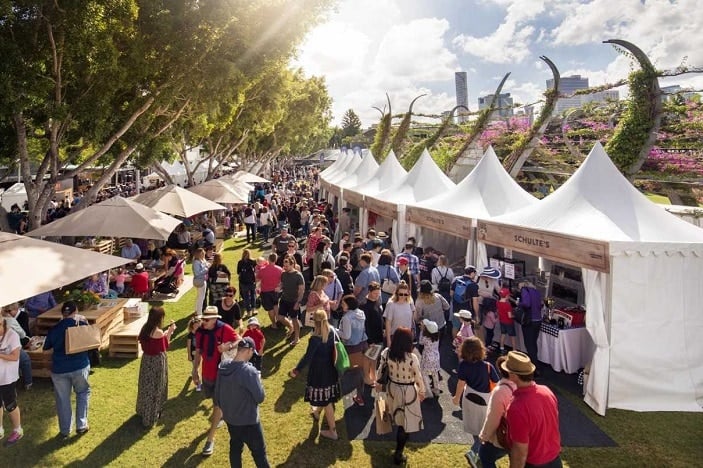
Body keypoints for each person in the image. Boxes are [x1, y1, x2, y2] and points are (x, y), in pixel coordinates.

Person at [215, 337, 270, 468]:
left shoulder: (223, 366)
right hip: (249, 422)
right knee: (259, 454)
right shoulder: (248, 372)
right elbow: (260, 397)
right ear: (249, 350)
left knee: (235, 448)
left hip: (231, 420)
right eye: (252, 353)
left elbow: (217, 395)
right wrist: (258, 379)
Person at [192, 306, 239, 457]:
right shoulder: (200, 332)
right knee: (215, 401)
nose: (203, 322)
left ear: (215, 319)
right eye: (203, 319)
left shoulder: (225, 329)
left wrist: (228, 346)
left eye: (206, 319)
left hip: (222, 374)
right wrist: (194, 371)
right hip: (207, 374)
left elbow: (240, 340)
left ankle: (209, 440)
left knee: (217, 405)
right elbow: (198, 352)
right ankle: (222, 413)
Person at [502, 351, 562, 468]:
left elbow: (520, 451)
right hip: (555, 459)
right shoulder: (547, 391)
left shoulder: (517, 407)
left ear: (513, 375)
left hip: (534, 463)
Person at [376, 327, 426, 465]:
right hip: (408, 391)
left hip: (392, 389)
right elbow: (418, 377)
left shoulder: (387, 353)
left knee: (397, 417)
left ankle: (398, 451)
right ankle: (399, 453)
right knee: (406, 424)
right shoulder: (412, 357)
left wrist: (377, 385)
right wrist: (422, 391)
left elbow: (380, 371)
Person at [43, 301, 92, 439]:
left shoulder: (55, 329)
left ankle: (65, 430)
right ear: (76, 311)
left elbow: (46, 346)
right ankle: (81, 425)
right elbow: (90, 340)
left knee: (62, 399)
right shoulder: (81, 325)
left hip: (59, 369)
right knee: (82, 393)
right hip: (80, 365)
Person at [289, 310, 340, 441]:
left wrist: (296, 370)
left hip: (319, 372)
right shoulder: (333, 331)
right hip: (331, 369)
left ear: (314, 321)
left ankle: (333, 431)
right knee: (326, 395)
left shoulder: (315, 339)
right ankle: (317, 412)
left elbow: (307, 357)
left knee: (327, 400)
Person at [452, 337, 499, 468]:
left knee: (474, 427)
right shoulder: (488, 366)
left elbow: (461, 384)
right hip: (484, 401)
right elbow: (496, 384)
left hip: (468, 399)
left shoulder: (463, 365)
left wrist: (456, 398)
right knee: (485, 431)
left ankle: (476, 450)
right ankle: (474, 451)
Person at [136, 306, 176, 427]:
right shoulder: (157, 332)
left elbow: (154, 341)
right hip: (157, 362)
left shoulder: (145, 328)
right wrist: (170, 332)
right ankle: (151, 416)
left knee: (146, 386)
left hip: (146, 361)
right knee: (156, 388)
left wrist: (164, 334)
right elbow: (165, 345)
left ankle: (143, 411)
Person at [478, 355, 516, 468]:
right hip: (519, 435)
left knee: (485, 456)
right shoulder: (521, 386)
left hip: (504, 435)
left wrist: (484, 435)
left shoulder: (500, 391)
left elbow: (493, 418)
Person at [338, 295, 370, 406]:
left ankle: (338, 393)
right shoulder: (361, 313)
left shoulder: (347, 317)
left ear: (349, 305)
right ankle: (360, 396)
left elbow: (346, 336)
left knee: (347, 372)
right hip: (363, 345)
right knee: (361, 371)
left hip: (352, 348)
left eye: (343, 304)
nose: (342, 305)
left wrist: (335, 330)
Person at [0, 317, 24, 445]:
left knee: (10, 404)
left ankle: (17, 430)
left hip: (7, 377)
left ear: (3, 324)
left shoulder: (12, 335)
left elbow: (15, 357)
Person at [1, 304, 32, 390]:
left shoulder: (21, 316)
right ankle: (28, 382)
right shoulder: (9, 320)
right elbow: (22, 334)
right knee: (25, 360)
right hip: (11, 345)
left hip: (7, 347)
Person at [278, 255, 305, 346]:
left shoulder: (298, 275)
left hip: (294, 301)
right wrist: (279, 288)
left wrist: (298, 302)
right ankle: (291, 327)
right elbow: (282, 284)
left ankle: (296, 338)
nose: (284, 268)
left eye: (286, 266)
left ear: (292, 264)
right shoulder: (283, 274)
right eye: (284, 266)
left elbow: (302, 290)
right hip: (284, 299)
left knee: (294, 319)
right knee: (280, 318)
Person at [518, 281, 543, 373]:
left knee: (529, 344)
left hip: (530, 320)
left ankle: (534, 368)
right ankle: (535, 365)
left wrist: (519, 303)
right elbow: (541, 305)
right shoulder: (536, 291)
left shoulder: (525, 290)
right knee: (533, 343)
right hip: (538, 320)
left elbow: (526, 304)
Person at [361, 282, 383, 382]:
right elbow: (365, 324)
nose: (377, 295)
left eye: (378, 293)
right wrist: (369, 340)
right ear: (369, 292)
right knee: (367, 358)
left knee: (374, 358)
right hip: (370, 337)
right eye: (375, 293)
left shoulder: (377, 302)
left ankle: (373, 374)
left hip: (378, 335)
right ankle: (366, 376)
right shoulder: (365, 305)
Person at [383, 281, 415, 347]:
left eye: (405, 294)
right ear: (397, 293)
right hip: (394, 337)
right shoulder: (391, 304)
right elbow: (388, 323)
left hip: (407, 336)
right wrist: (389, 341)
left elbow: (412, 317)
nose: (403, 296)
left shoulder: (410, 301)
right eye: (401, 294)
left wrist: (412, 332)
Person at [450, 266, 479, 338]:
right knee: (468, 329)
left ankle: (455, 344)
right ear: (472, 273)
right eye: (475, 273)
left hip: (456, 308)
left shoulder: (456, 279)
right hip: (467, 311)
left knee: (455, 326)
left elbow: (451, 293)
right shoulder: (473, 285)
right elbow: (475, 302)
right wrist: (477, 315)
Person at [257, 253, 282, 329]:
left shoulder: (262, 269)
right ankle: (279, 321)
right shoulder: (280, 269)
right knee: (276, 306)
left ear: (268, 259)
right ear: (276, 259)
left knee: (270, 309)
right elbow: (282, 280)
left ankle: (274, 324)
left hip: (265, 292)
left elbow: (257, 279)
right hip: (275, 291)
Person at [419, 319, 441, 397]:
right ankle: (437, 389)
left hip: (427, 357)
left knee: (423, 373)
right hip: (436, 356)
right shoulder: (437, 338)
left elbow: (420, 342)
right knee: (435, 373)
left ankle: (428, 392)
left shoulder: (425, 338)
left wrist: (421, 331)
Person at [237, 249, 258, 316]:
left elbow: (238, 272)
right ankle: (253, 309)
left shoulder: (240, 262)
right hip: (252, 281)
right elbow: (256, 270)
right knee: (253, 295)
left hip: (244, 282)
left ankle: (248, 311)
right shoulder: (253, 261)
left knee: (246, 297)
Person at [496, 288, 517, 354]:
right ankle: (514, 350)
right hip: (509, 322)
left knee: (503, 334)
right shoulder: (508, 305)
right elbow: (510, 316)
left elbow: (498, 311)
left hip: (502, 321)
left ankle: (501, 348)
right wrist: (515, 316)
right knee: (512, 336)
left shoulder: (497, 302)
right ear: (507, 296)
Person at [186, 316, 202, 391]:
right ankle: (198, 384)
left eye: (199, 325)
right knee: (196, 369)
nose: (198, 327)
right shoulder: (190, 335)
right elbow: (189, 346)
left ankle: (193, 374)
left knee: (196, 367)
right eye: (196, 325)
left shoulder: (200, 333)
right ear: (192, 326)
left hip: (199, 353)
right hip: (193, 354)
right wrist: (189, 355)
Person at [192, 248, 209, 315]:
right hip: (200, 280)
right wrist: (206, 269)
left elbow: (206, 264)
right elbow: (197, 273)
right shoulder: (196, 262)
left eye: (204, 252)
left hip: (203, 279)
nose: (204, 254)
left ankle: (196, 310)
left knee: (200, 296)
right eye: (202, 253)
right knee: (201, 297)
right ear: (199, 254)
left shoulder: (202, 260)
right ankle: (199, 313)